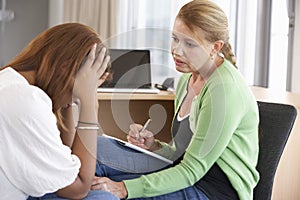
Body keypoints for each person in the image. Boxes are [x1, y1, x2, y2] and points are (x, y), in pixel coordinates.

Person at [91, 0, 260, 199]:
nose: (177, 51)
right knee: (98, 149)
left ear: (215, 47)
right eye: (175, 39)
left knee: (107, 191)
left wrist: (124, 188)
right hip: (186, 174)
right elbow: (181, 154)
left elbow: (191, 170)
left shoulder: (224, 91)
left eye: (190, 44)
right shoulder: (186, 80)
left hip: (213, 191)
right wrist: (153, 146)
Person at [0, 23, 118, 200]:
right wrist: (89, 103)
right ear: (65, 67)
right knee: (103, 198)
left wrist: (69, 98)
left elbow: (64, 153)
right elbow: (78, 188)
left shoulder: (13, 81)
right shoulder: (25, 100)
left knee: (105, 161)